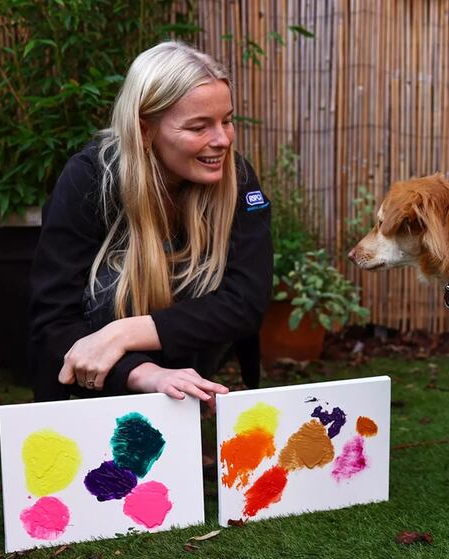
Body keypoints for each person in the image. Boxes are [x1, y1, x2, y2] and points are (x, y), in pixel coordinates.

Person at [29, 40, 272, 403]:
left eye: (227, 120)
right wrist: (143, 373)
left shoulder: (237, 178)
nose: (222, 140)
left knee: (203, 275)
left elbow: (247, 300)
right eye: (198, 127)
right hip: (99, 380)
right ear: (145, 130)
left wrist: (124, 333)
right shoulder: (90, 179)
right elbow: (54, 321)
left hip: (174, 347)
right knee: (112, 279)